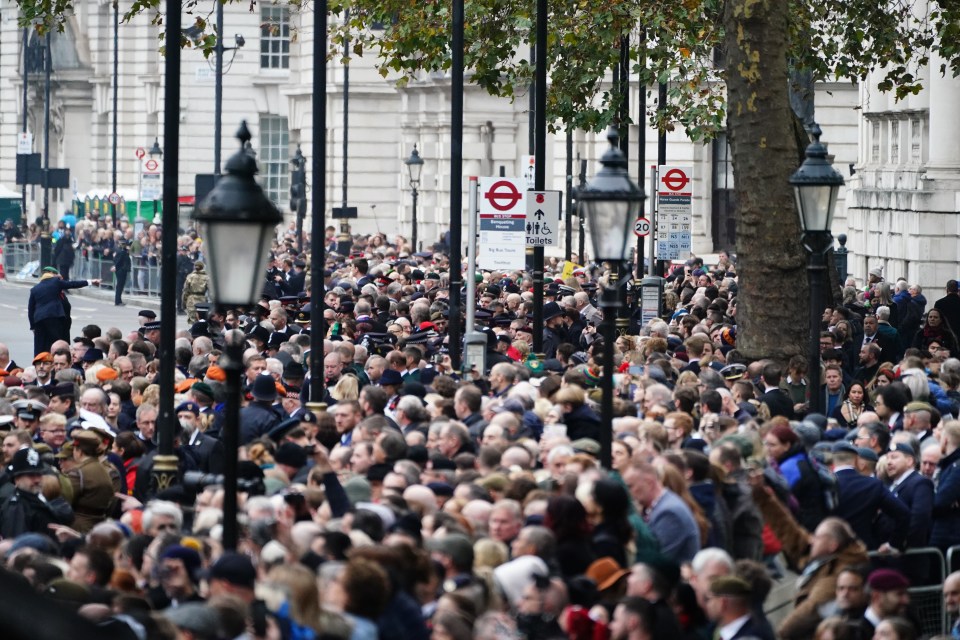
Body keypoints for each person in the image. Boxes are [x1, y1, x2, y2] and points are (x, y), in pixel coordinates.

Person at [27, 267, 100, 354]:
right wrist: (90, 281)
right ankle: (60, 360)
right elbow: (72, 284)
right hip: (53, 317)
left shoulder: (35, 288)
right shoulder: (55, 282)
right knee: (58, 343)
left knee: (40, 345)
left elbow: (30, 309)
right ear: (52, 274)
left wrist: (32, 326)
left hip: (39, 320)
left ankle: (38, 363)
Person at [110, 239, 132, 306]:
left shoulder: (122, 251)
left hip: (121, 270)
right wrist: (116, 267)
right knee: (119, 286)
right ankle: (117, 301)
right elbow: (119, 261)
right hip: (121, 270)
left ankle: (119, 300)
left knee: (120, 286)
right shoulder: (122, 252)